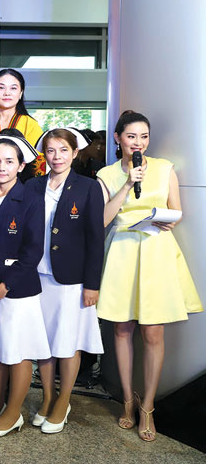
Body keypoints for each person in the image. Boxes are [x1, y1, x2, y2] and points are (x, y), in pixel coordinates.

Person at [96, 111, 202, 442]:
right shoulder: (106, 174)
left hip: (156, 250)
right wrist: (128, 182)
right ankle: (128, 401)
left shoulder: (165, 168)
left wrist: (168, 219)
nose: (138, 143)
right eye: (131, 136)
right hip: (123, 251)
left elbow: (177, 210)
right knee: (122, 329)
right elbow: (102, 219)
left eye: (144, 137)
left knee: (153, 332)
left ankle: (148, 407)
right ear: (118, 138)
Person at [0, 134, 50, 437]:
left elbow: (33, 251)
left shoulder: (31, 198)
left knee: (18, 351)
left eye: (9, 161)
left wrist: (6, 285)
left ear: (21, 165)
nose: (1, 167)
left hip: (16, 289)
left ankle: (13, 413)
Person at [23, 128, 104, 434]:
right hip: (36, 276)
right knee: (43, 342)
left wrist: (92, 284)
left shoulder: (88, 187)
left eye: (63, 150)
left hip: (71, 279)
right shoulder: (33, 185)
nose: (56, 157)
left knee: (68, 342)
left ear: (75, 153)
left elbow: (95, 239)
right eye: (51, 150)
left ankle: (64, 400)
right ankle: (47, 398)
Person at [0, 69, 43, 147]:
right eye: (1, 87)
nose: (7, 93)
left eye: (13, 88)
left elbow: (38, 154)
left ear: (21, 93)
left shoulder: (30, 124)